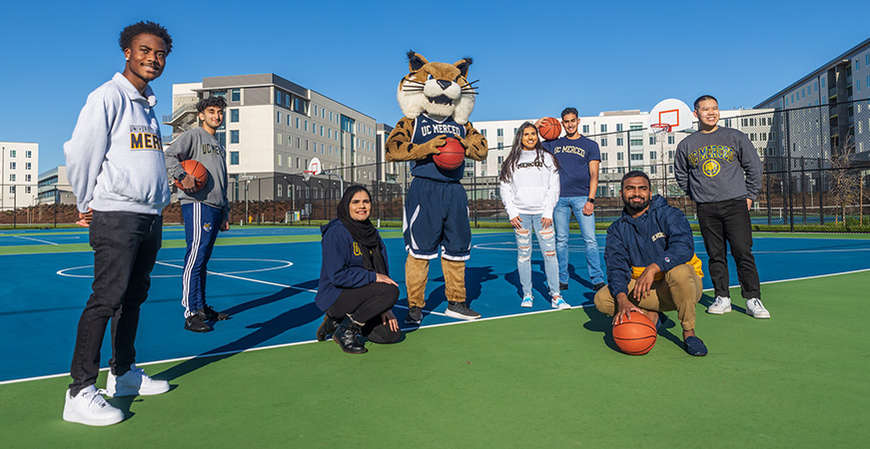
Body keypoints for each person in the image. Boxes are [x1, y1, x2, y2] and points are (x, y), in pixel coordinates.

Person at [61, 21, 173, 426]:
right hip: (116, 213)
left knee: (133, 298)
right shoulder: (107, 96)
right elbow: (81, 151)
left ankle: (123, 374)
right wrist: (84, 199)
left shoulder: (149, 107)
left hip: (149, 214)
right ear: (127, 52)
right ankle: (79, 391)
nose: (152, 59)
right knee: (105, 298)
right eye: (145, 50)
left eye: (160, 54)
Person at [674, 95, 770, 319]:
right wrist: (696, 193)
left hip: (735, 203)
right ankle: (722, 297)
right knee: (715, 254)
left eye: (715, 108)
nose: (711, 112)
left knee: (742, 252)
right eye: (705, 109)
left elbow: (754, 166)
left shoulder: (734, 137)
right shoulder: (687, 144)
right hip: (706, 207)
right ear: (696, 114)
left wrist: (750, 195)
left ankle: (753, 299)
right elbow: (681, 174)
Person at [594, 171, 708, 356]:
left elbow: (683, 248)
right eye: (630, 188)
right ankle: (651, 314)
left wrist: (654, 267)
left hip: (681, 287)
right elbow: (616, 267)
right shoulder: (617, 230)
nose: (636, 193)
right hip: (646, 290)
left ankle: (689, 333)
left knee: (679, 272)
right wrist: (622, 300)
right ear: (621, 193)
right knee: (602, 299)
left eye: (642, 188)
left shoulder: (669, 214)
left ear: (650, 192)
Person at [164, 96, 231, 332]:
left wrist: (225, 210)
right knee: (195, 257)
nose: (217, 116)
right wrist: (182, 176)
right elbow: (169, 155)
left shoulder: (219, 145)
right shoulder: (194, 135)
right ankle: (190, 311)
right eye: (212, 111)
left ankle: (201, 307)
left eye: (220, 112)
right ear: (201, 115)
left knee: (203, 259)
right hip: (197, 203)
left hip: (215, 207)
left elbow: (222, 180)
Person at [314, 186, 403, 354]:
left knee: (390, 335)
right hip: (336, 295)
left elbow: (382, 270)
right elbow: (337, 276)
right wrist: (374, 279)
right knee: (390, 291)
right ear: (346, 205)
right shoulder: (337, 232)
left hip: (361, 293)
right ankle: (345, 331)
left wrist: (385, 307)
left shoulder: (371, 233)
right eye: (356, 202)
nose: (362, 206)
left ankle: (336, 322)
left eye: (366, 202)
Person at [499, 122, 567, 309]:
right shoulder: (511, 161)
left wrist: (548, 211)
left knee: (550, 254)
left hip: (542, 216)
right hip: (521, 216)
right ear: (520, 137)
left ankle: (556, 296)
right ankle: (527, 294)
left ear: (538, 137)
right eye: (526, 134)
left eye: (533, 134)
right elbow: (505, 188)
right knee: (524, 256)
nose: (530, 137)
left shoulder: (548, 158)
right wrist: (512, 212)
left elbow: (554, 187)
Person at [539, 107, 605, 293]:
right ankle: (562, 279)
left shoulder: (590, 145)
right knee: (561, 240)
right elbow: (530, 145)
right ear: (562, 123)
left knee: (590, 240)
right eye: (566, 121)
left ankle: (597, 278)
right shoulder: (553, 144)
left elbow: (594, 174)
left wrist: (591, 200)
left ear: (578, 121)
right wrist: (537, 127)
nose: (570, 124)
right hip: (559, 199)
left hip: (582, 197)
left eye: (572, 121)